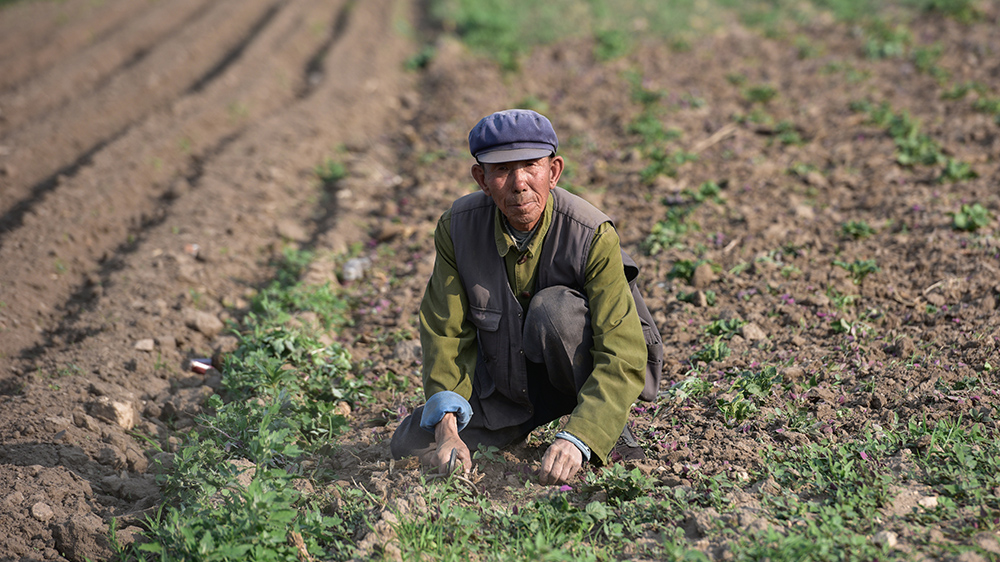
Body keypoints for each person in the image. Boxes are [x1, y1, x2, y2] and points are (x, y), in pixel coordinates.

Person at [390, 109, 662, 485]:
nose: (519, 183)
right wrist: (448, 430)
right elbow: (446, 333)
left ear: (553, 171)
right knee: (409, 440)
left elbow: (622, 351)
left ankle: (606, 430)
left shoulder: (591, 234)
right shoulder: (458, 229)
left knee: (555, 311)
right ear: (481, 179)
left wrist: (580, 436)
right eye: (501, 170)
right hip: (507, 380)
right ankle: (510, 422)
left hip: (578, 368)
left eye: (530, 166)